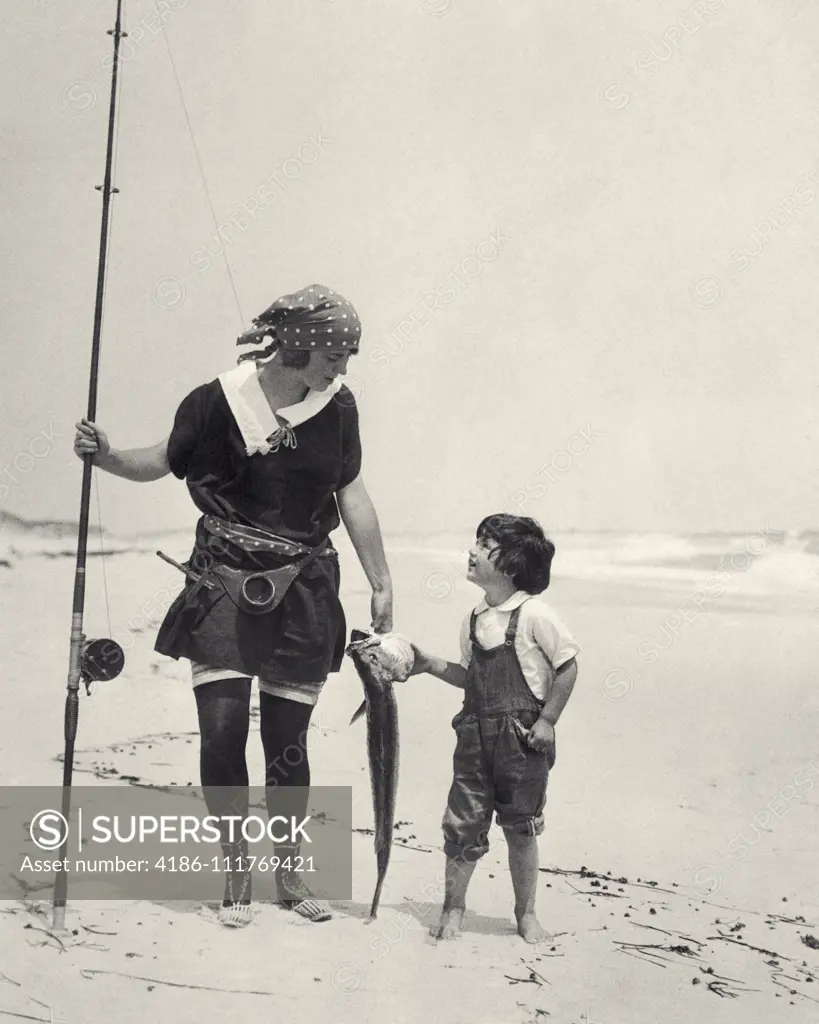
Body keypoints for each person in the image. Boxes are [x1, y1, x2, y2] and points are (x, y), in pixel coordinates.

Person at [73, 284, 393, 927]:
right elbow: (160, 462)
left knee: (287, 742)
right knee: (222, 735)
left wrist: (381, 579)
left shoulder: (339, 406)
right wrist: (105, 456)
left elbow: (352, 493)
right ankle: (235, 869)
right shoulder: (215, 401)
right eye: (336, 355)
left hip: (306, 586)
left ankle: (291, 873)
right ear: (299, 345)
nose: (342, 370)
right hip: (223, 579)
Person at [409, 514, 579, 944]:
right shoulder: (474, 618)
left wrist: (547, 721)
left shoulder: (535, 613)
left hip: (523, 741)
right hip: (473, 737)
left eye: (484, 545)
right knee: (462, 825)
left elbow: (568, 666)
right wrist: (428, 664)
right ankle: (453, 909)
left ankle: (526, 914)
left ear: (511, 563)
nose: (471, 550)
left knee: (520, 827)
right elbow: (470, 676)